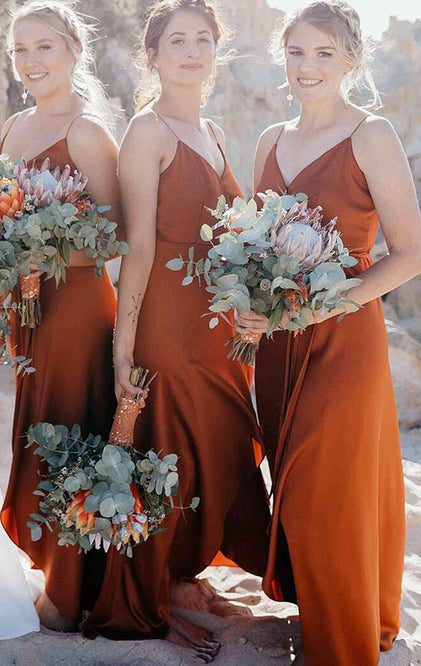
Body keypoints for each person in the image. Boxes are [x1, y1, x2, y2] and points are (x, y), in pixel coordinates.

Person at [236, 2, 421, 664]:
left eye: (322, 53)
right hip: (278, 347)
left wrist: (322, 307)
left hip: (344, 340)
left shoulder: (370, 135)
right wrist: (253, 306)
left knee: (327, 485)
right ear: (279, 56)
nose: (306, 67)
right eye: (295, 52)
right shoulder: (267, 141)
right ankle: (322, 610)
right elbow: (256, 248)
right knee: (293, 484)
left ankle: (341, 648)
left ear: (350, 60)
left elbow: (408, 254)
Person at [82, 1, 270, 660]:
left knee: (218, 445)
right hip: (165, 320)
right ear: (153, 56)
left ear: (216, 50)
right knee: (168, 450)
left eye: (201, 40)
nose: (191, 51)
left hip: (217, 326)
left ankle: (179, 573)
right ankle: (146, 594)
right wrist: (124, 341)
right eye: (176, 41)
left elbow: (236, 235)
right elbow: (135, 248)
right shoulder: (148, 131)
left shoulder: (214, 131)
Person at [0, 0, 122, 633]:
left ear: (74, 53)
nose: (30, 60)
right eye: (20, 49)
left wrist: (36, 250)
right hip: (25, 310)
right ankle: (50, 568)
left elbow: (116, 232)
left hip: (75, 308)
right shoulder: (14, 127)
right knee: (33, 429)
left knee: (69, 431)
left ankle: (73, 591)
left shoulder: (88, 134)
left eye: (44, 46)